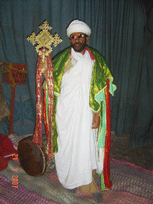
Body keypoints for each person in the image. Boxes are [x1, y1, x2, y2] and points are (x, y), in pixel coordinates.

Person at [43, 19, 116, 203]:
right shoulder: (60, 61)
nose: (77, 39)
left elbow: (102, 91)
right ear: (70, 39)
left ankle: (89, 184)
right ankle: (69, 181)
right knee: (68, 148)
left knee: (86, 149)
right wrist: (43, 72)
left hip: (87, 114)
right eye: (73, 36)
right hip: (65, 114)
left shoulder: (96, 61)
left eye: (80, 36)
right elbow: (48, 87)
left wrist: (97, 113)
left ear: (87, 38)